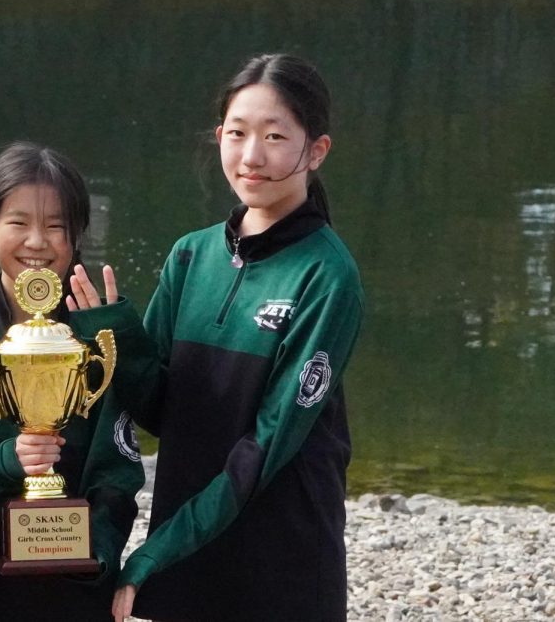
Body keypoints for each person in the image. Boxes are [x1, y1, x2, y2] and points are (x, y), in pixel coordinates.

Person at [108, 54, 365, 621]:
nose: (251, 157)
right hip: (188, 531)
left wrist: (158, 551)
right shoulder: (190, 255)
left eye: (275, 137)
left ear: (315, 151)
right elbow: (160, 410)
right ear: (219, 136)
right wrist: (112, 338)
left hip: (282, 546)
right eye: (237, 133)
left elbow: (266, 447)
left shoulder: (327, 275)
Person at [0, 142, 146, 622]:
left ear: (76, 236)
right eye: (18, 223)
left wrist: (94, 554)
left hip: (73, 587)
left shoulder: (97, 340)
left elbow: (117, 471)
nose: (37, 242)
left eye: (55, 226)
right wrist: (7, 461)